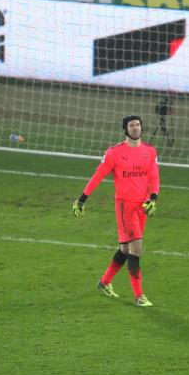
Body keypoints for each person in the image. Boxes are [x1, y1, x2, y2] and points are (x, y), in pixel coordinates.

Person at [72, 116, 161, 307]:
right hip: (125, 206)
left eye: (138, 125)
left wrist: (153, 198)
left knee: (125, 249)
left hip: (142, 207)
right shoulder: (115, 153)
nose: (136, 128)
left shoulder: (150, 152)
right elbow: (98, 175)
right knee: (136, 248)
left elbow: (154, 177)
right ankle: (139, 296)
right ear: (125, 130)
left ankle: (104, 282)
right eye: (132, 125)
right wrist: (82, 198)